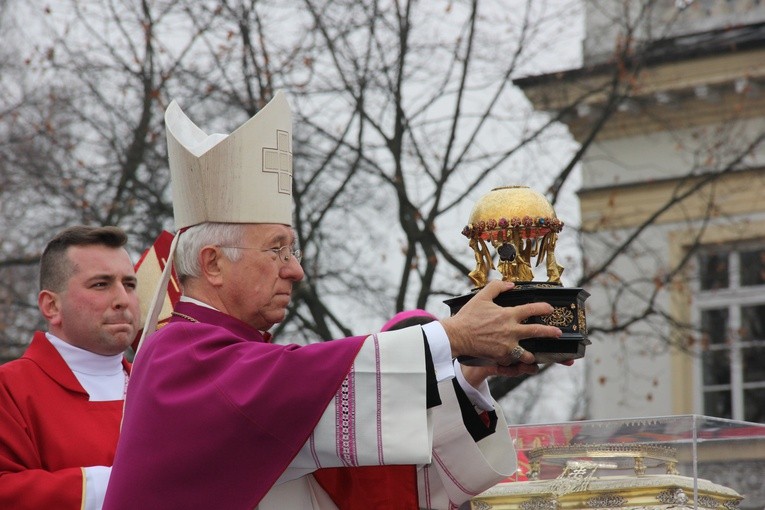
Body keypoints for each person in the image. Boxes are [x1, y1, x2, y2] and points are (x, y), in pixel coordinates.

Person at [103, 91, 564, 510]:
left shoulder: (235, 358)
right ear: (213, 264)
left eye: (293, 249)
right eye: (276, 249)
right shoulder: (180, 356)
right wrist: (453, 336)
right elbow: (299, 378)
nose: (295, 268)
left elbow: (380, 482)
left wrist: (465, 377)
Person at [0, 226, 140, 510]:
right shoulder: (9, 388)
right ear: (51, 306)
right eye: (101, 284)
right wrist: (116, 484)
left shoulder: (159, 386)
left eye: (129, 284)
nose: (123, 299)